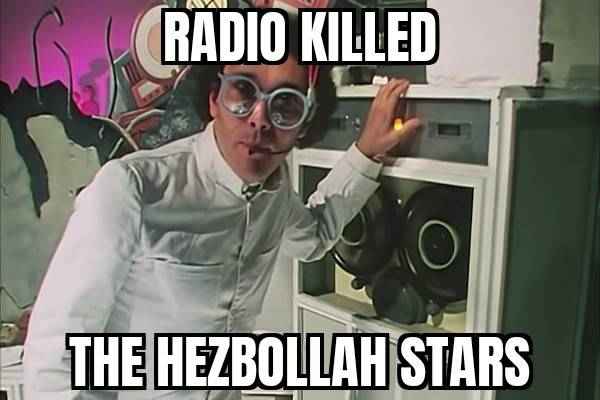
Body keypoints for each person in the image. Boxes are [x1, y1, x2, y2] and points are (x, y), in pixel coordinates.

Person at [23, 24, 421, 400]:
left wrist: (367, 152)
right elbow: (52, 358)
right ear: (214, 99)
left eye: (285, 103)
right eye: (243, 91)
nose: (259, 119)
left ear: (304, 124)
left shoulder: (275, 193)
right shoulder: (132, 188)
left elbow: (314, 237)